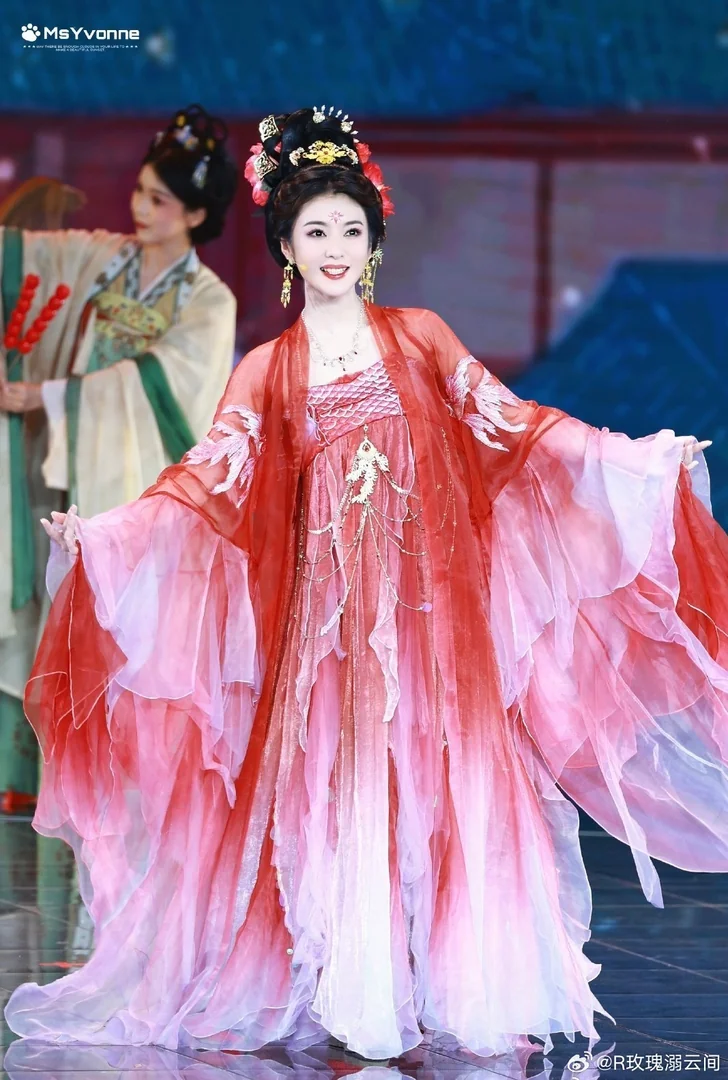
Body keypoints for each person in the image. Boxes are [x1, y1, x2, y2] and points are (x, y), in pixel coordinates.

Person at [5, 107, 728, 1062]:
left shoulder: (420, 338)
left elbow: (513, 427)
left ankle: (445, 981)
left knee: (437, 783)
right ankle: (354, 983)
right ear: (287, 247)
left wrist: (637, 461)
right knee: (337, 790)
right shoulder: (269, 370)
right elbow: (206, 481)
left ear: (374, 238)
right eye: (316, 232)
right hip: (326, 640)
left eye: (351, 228)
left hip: (432, 628)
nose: (336, 248)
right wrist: (103, 536)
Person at [0, 104, 238, 807]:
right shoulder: (103, 260)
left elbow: (173, 391)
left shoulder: (208, 300)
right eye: (139, 191)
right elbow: (28, 257)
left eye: (158, 200)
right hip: (59, 467)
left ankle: (109, 786)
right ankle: (29, 776)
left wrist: (50, 396)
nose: (140, 208)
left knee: (119, 628)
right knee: (42, 609)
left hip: (136, 491)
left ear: (196, 214)